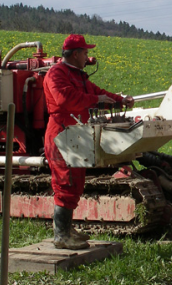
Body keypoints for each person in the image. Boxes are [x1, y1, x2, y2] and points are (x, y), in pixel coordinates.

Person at [43, 34, 134, 249]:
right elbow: (65, 100)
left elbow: (98, 93)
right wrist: (96, 100)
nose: (87, 57)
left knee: (75, 183)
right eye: (85, 52)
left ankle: (67, 229)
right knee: (65, 183)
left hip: (75, 134)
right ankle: (61, 235)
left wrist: (120, 100)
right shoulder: (56, 74)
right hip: (61, 134)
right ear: (75, 54)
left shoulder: (78, 76)